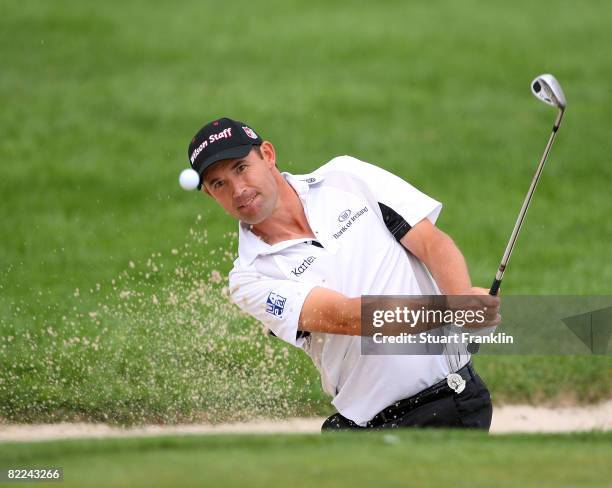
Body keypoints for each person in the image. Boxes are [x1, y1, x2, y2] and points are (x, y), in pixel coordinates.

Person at [185, 117, 501, 431]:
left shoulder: (345, 176)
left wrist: (462, 301)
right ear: (210, 195)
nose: (238, 189)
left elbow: (431, 243)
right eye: (219, 183)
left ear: (268, 155)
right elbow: (350, 318)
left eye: (241, 168)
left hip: (452, 400)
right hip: (372, 425)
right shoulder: (250, 277)